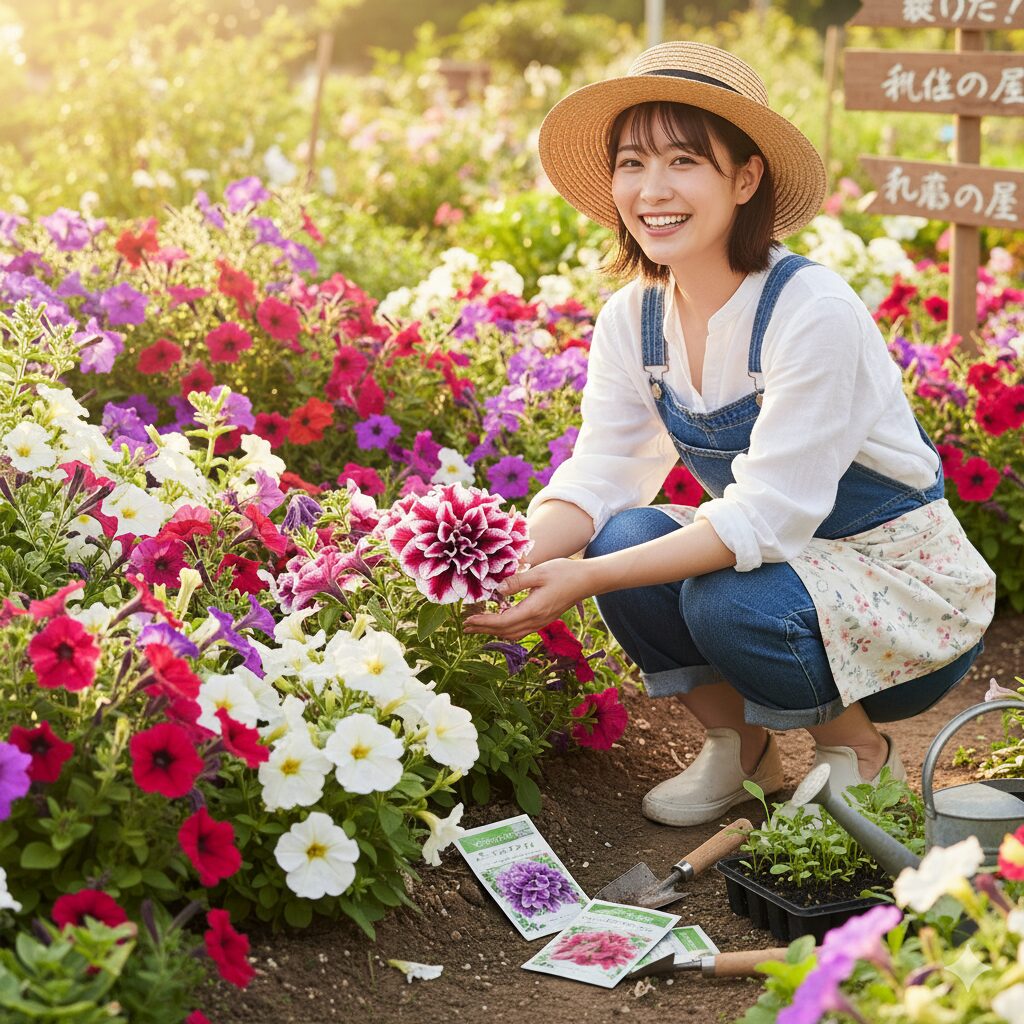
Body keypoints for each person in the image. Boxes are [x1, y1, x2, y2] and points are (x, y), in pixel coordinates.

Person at [462, 41, 996, 827]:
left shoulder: (809, 309)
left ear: (745, 179)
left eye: (684, 161)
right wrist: (511, 555)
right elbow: (604, 467)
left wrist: (582, 583)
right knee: (619, 539)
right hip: (791, 568)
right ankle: (743, 751)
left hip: (902, 595)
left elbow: (767, 516)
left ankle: (859, 753)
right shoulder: (633, 318)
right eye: (632, 163)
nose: (653, 190)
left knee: (721, 599)